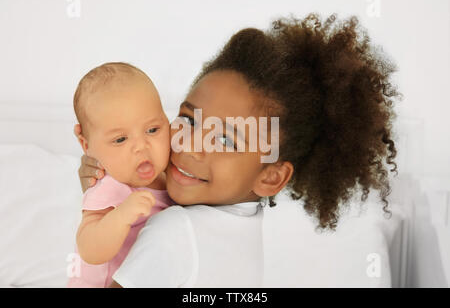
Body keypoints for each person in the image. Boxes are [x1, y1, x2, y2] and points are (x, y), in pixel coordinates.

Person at [75, 14, 401, 287]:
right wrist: (110, 188)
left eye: (225, 140)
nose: (191, 144)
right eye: (189, 119)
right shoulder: (242, 220)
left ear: (271, 176)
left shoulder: (173, 231)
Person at [67, 62, 174, 287]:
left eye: (153, 130)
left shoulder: (172, 176)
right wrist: (121, 216)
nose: (141, 147)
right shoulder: (109, 186)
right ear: (86, 145)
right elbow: (89, 249)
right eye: (120, 139)